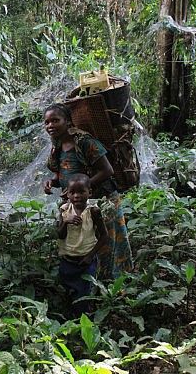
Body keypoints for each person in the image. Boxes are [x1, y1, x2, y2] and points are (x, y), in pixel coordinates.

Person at [43, 103, 132, 279]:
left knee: (106, 241)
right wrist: (52, 182)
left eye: (55, 120)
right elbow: (64, 171)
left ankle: (113, 284)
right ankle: (89, 283)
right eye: (47, 122)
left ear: (68, 121)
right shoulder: (58, 145)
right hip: (78, 203)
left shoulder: (85, 142)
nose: (50, 126)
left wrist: (80, 188)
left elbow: (107, 170)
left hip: (101, 201)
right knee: (84, 242)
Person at [57, 173, 109, 317]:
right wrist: (66, 221)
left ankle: (84, 323)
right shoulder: (64, 210)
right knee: (67, 292)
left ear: (89, 192)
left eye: (81, 192)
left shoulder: (93, 211)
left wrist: (90, 255)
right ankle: (70, 321)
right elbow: (60, 235)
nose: (76, 196)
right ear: (67, 194)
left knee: (85, 295)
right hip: (67, 260)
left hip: (86, 261)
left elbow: (104, 236)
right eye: (72, 192)